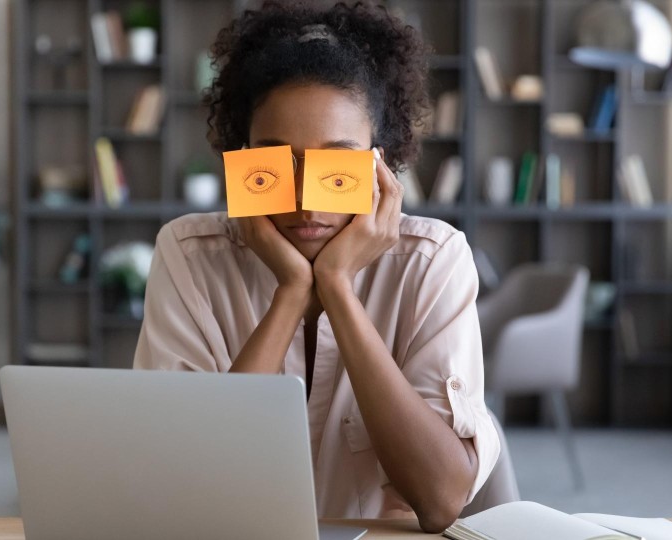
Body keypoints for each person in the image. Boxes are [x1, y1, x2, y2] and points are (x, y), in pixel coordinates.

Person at [133, 1, 499, 533]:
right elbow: (185, 487)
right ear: (243, 160)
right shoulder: (189, 254)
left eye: (338, 164)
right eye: (278, 162)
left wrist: (337, 289)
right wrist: (290, 292)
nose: (306, 200)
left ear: (381, 165)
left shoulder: (432, 261)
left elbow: (441, 501)